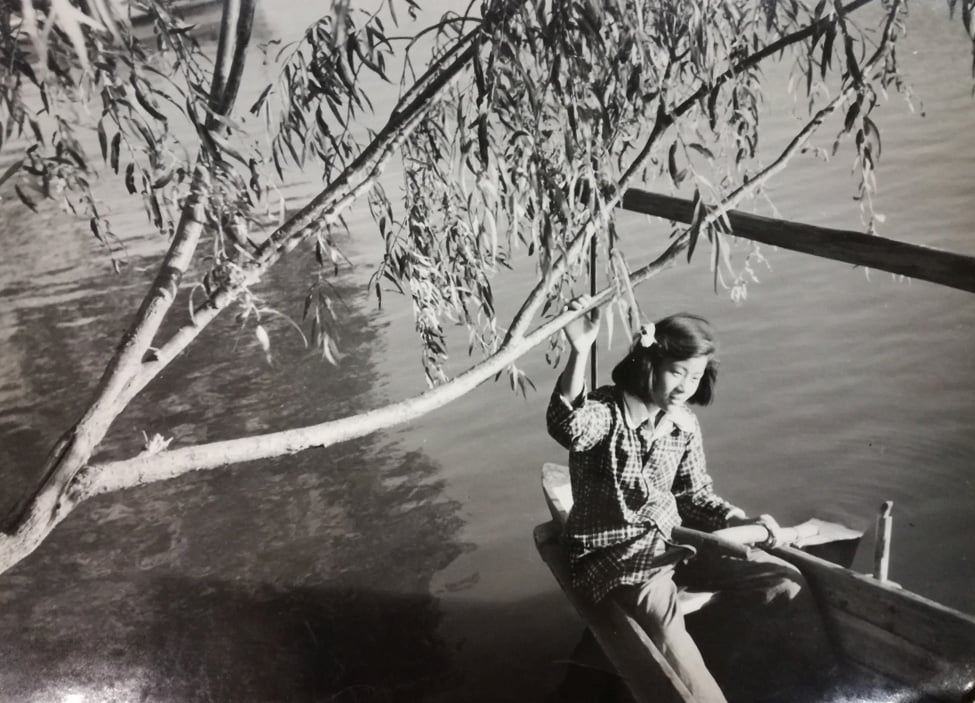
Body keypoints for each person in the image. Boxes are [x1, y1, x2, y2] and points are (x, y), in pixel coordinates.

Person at [545, 297, 839, 703]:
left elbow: (694, 494)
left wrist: (739, 518)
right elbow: (570, 427)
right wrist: (579, 351)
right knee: (667, 631)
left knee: (783, 581)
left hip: (672, 540)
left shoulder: (683, 424)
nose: (685, 385)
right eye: (676, 372)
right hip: (616, 557)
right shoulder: (606, 412)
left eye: (696, 375)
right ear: (649, 366)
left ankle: (819, 686)